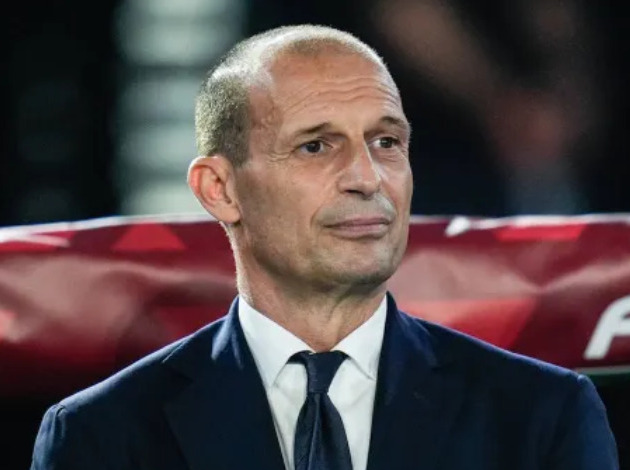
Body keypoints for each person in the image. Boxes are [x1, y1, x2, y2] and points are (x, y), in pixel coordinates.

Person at [30, 25, 618, 470]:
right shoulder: (99, 435)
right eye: (316, 146)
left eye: (386, 142)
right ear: (220, 189)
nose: (367, 177)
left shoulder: (544, 415)